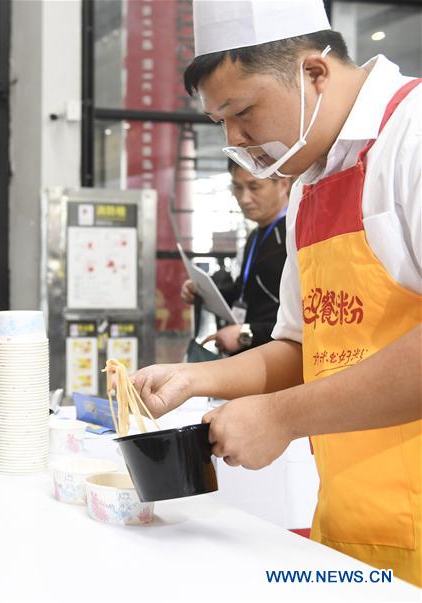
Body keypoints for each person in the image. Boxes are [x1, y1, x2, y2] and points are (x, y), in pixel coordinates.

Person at [135, 0, 421, 585]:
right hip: (356, 525)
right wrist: (195, 381)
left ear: (314, 72)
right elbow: (301, 347)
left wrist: (283, 417)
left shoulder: (412, 137)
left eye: (243, 111)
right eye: (220, 123)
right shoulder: (308, 185)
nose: (237, 139)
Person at [181, 159, 290, 354]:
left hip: (278, 360)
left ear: (283, 185)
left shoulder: (295, 235)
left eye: (254, 187)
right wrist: (204, 291)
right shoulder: (256, 236)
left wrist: (247, 333)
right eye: (237, 188)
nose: (244, 198)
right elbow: (250, 295)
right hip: (254, 357)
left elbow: (301, 318)